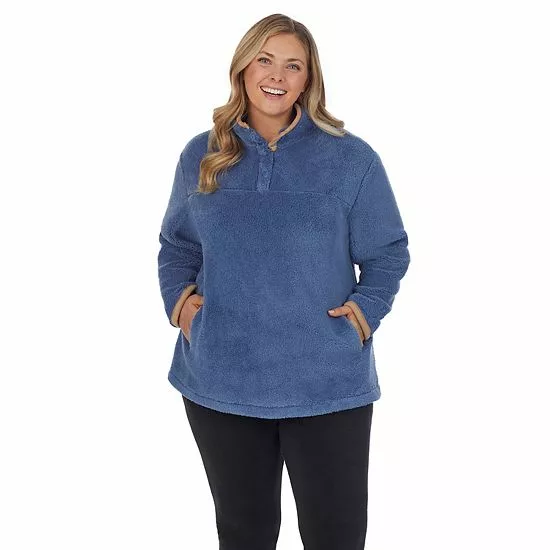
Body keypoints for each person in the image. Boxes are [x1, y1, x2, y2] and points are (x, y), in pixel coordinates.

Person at [157, 13, 410, 550]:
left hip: (327, 383)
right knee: (243, 535)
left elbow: (387, 252)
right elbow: (178, 245)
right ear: (243, 69)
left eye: (293, 65)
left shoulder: (351, 159)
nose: (277, 75)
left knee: (336, 537)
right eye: (265, 60)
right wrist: (183, 307)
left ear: (308, 78)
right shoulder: (202, 154)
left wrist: (363, 315)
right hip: (222, 379)